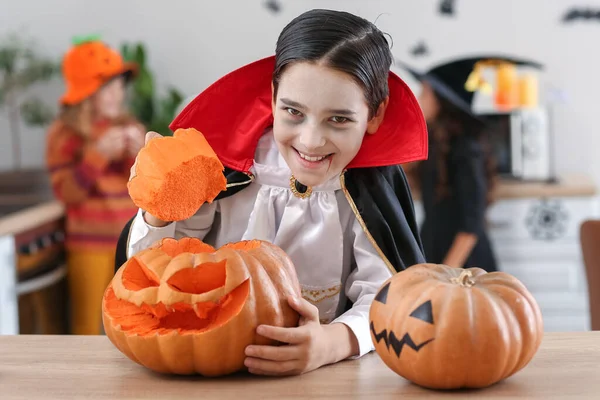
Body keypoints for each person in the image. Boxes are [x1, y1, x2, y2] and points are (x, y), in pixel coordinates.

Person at [117, 9, 428, 375]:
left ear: (374, 115)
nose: (311, 141)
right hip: (207, 364)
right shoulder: (223, 163)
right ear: (273, 96)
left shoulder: (369, 186)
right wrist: (158, 206)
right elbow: (156, 275)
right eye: (293, 112)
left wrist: (335, 341)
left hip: (320, 378)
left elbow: (387, 294)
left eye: (339, 119)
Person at [400, 55, 541, 272]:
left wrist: (448, 273)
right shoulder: (436, 143)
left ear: (441, 100)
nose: (419, 99)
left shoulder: (466, 149)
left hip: (462, 261)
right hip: (434, 246)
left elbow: (471, 225)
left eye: (425, 93)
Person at [45, 37, 146, 335]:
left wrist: (143, 154)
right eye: (108, 86)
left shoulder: (128, 126)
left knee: (134, 324)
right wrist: (98, 155)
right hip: (89, 246)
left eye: (119, 85)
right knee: (87, 328)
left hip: (130, 241)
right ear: (88, 93)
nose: (118, 93)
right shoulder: (63, 134)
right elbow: (67, 194)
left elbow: (145, 189)